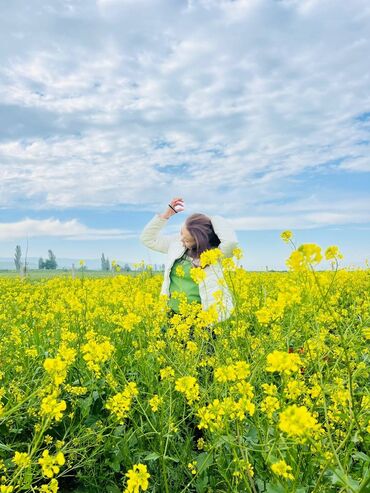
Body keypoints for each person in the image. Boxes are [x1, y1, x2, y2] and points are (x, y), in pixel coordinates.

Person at [140, 197, 239, 322]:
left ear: (199, 241)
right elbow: (147, 239)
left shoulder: (214, 254)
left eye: (186, 239)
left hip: (202, 318)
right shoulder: (176, 244)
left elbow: (231, 242)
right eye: (181, 233)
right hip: (172, 315)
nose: (181, 239)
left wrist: (211, 220)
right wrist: (166, 215)